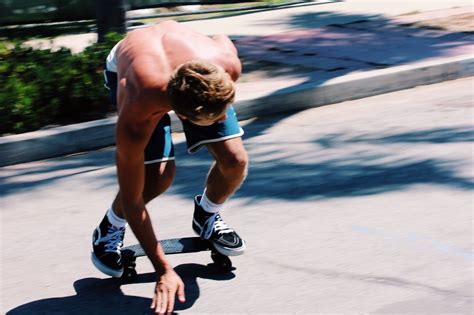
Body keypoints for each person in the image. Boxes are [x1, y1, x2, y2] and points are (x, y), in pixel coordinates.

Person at [90, 20, 248, 314]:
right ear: (185, 118)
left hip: (195, 63)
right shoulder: (137, 105)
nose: (224, 116)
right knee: (159, 177)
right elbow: (133, 198)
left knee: (235, 160)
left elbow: (221, 35)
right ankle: (109, 227)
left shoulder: (225, 64)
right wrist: (162, 268)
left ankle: (207, 215)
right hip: (132, 63)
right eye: (215, 118)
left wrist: (220, 104)